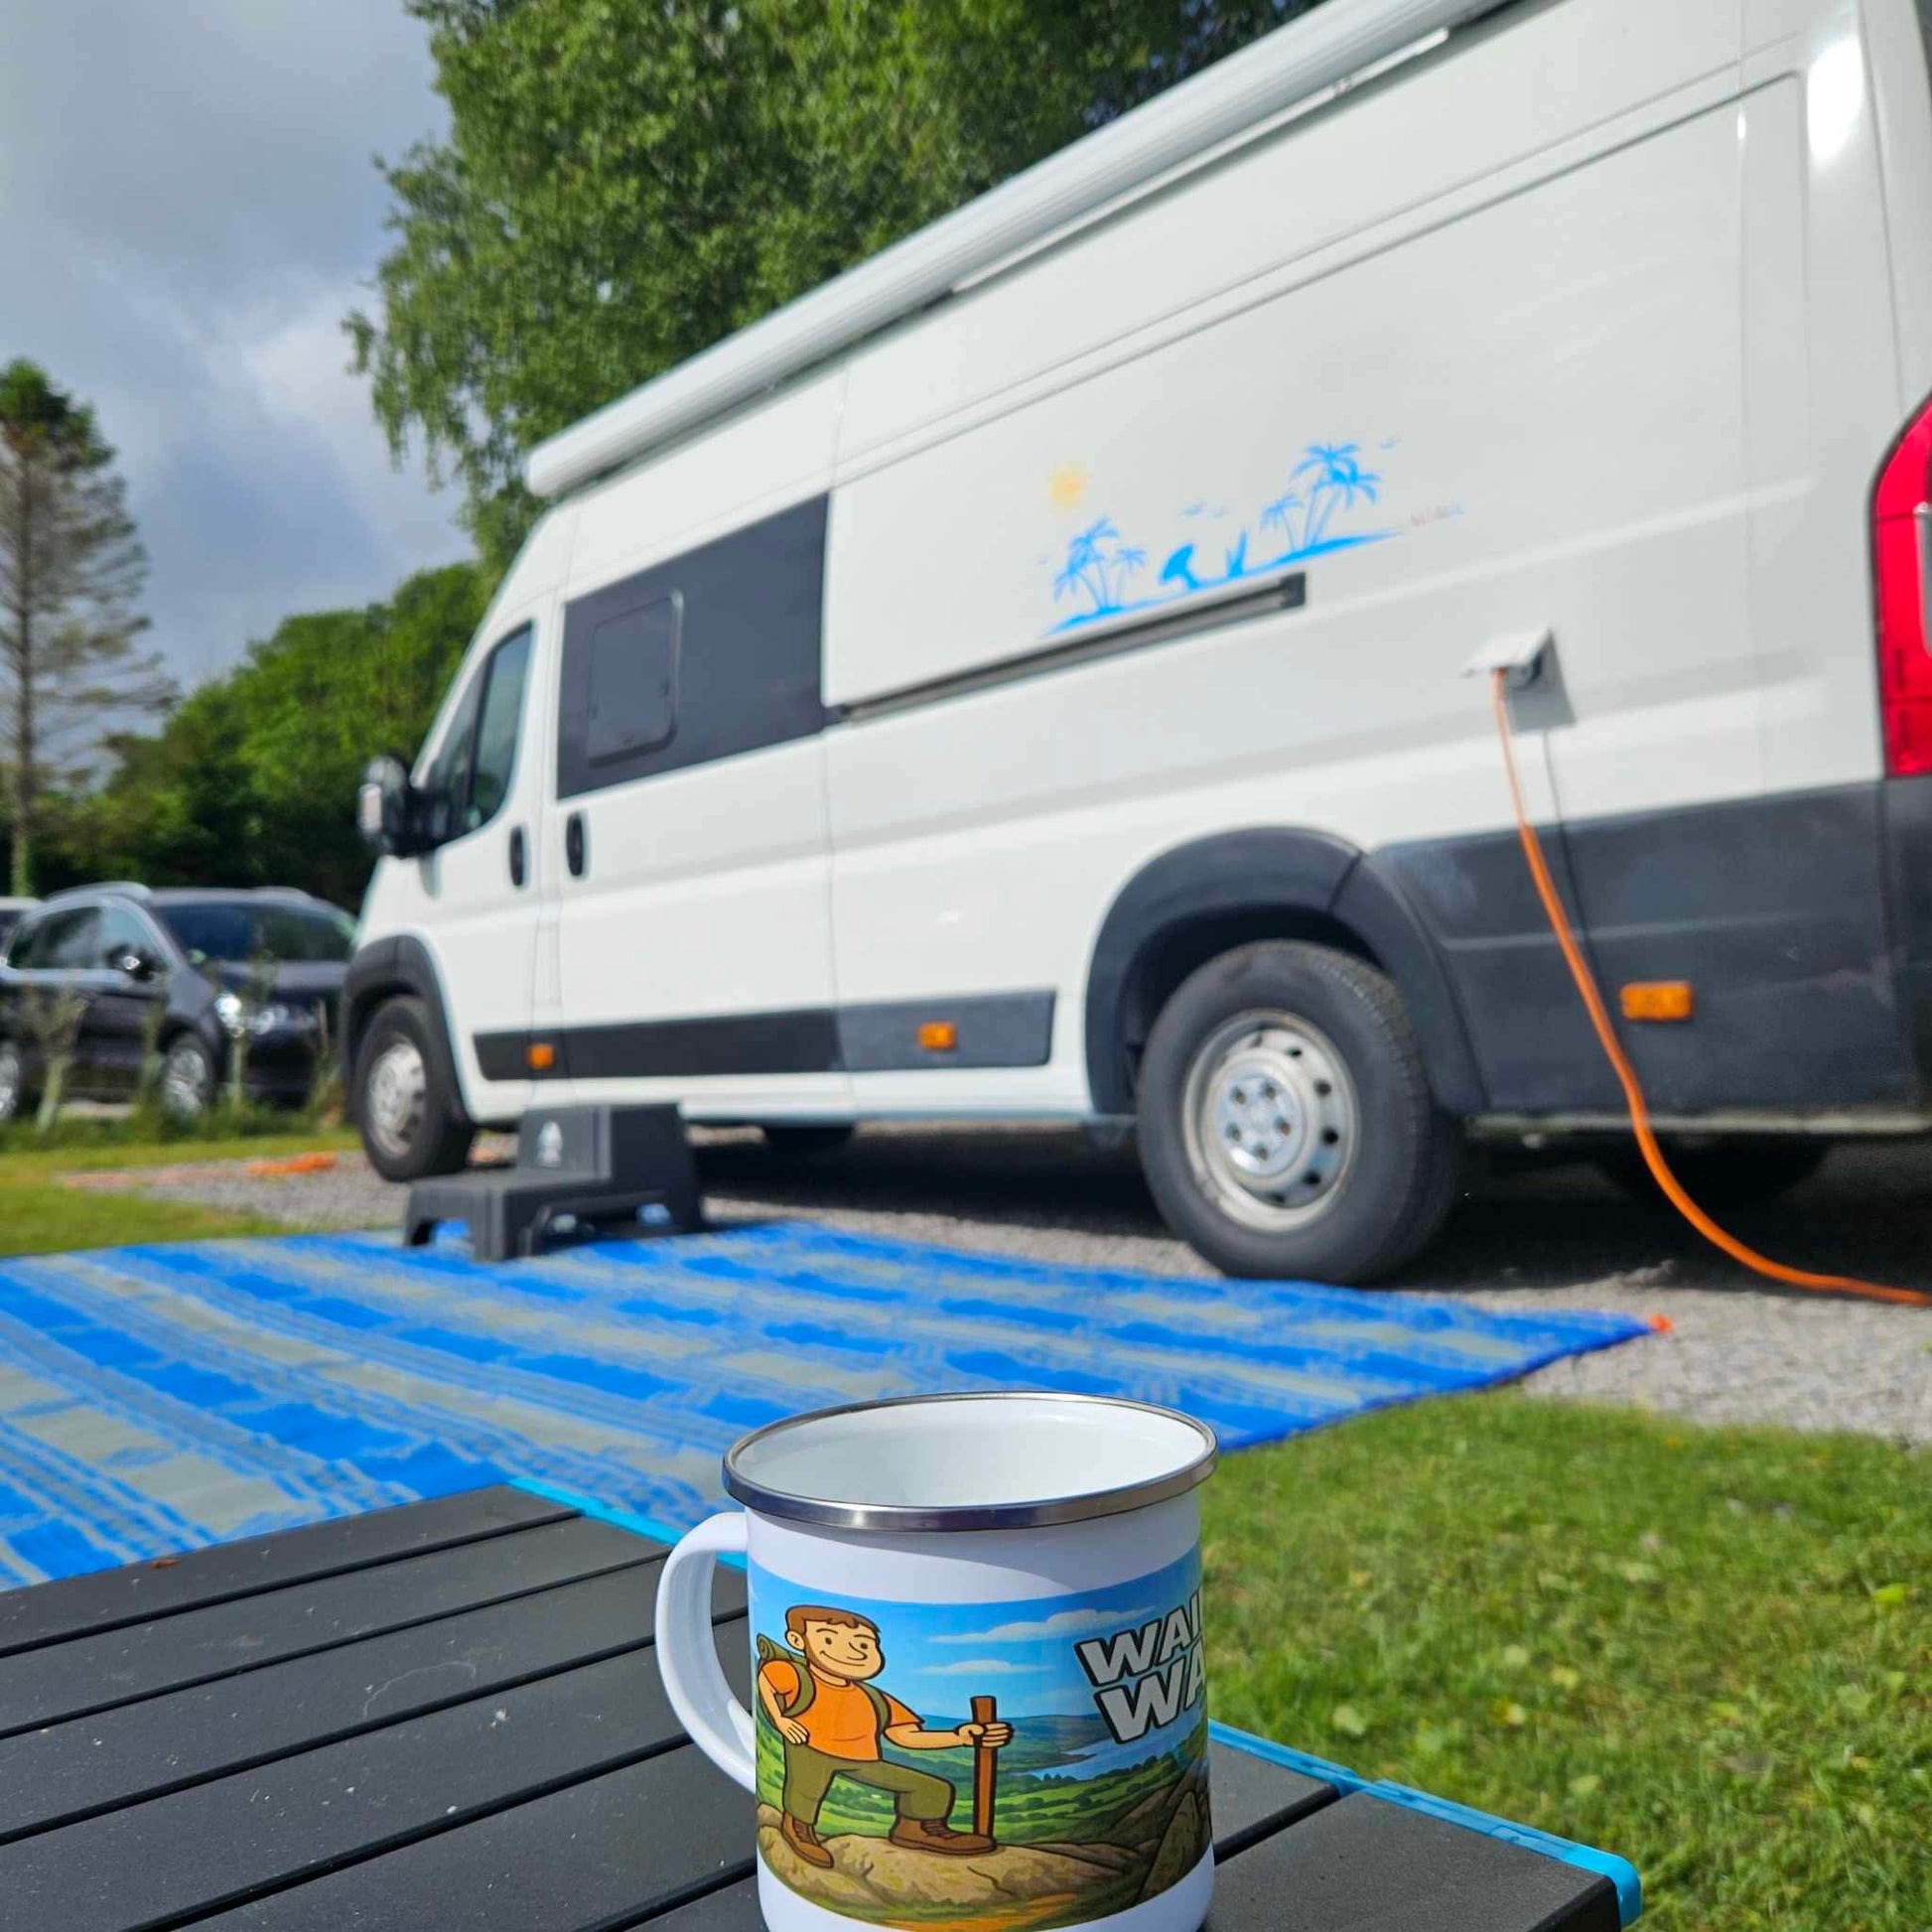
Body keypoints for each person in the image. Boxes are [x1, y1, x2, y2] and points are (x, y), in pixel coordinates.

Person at [757, 1601, 1013, 1869]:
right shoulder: (797, 1676)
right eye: (830, 1640)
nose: (852, 1651)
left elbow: (907, 1736)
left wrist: (961, 1737)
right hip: (811, 1747)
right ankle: (798, 1826)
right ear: (797, 1640)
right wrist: (781, 1721)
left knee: (932, 1786)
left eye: (864, 1645)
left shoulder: (875, 1699)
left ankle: (917, 1829)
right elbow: (767, 1679)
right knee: (807, 1786)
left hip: (861, 1758)